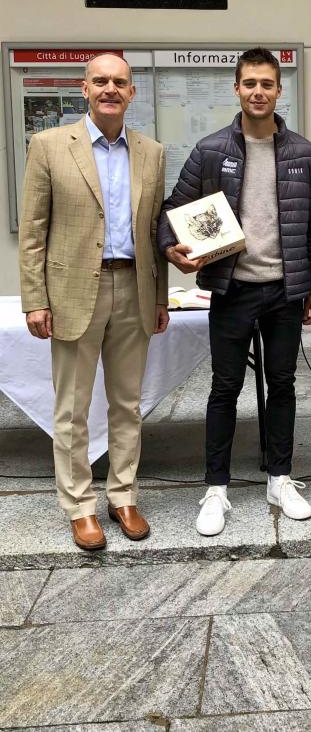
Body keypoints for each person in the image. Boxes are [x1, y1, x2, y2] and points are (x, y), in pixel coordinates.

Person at [158, 47, 311, 534]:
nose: (258, 91)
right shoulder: (211, 150)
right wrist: (173, 248)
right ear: (236, 88)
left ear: (280, 91)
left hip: (284, 291)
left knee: (283, 386)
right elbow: (173, 210)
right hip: (231, 290)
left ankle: (280, 477)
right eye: (249, 83)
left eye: (267, 84)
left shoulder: (302, 152)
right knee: (224, 389)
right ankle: (216, 489)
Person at [19, 53, 169, 550]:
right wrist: (35, 299)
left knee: (128, 403)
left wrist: (161, 297)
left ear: (132, 93)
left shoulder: (151, 152)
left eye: (119, 82)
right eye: (100, 81)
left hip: (134, 287)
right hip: (71, 292)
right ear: (84, 89)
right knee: (72, 408)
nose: (110, 88)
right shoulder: (47, 146)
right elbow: (34, 232)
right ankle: (80, 506)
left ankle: (123, 494)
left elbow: (154, 231)